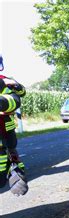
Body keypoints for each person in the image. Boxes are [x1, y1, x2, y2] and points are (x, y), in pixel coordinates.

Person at [0, 54, 28, 195]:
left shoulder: (4, 81)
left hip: (6, 129)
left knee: (11, 152)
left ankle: (16, 172)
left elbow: (18, 96)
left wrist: (14, 85)